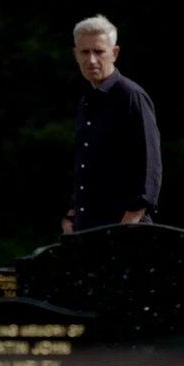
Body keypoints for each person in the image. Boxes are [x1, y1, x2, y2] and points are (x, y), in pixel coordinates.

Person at [62, 15, 162, 233]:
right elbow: (85, 164)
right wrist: (71, 215)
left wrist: (125, 228)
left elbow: (149, 168)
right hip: (87, 228)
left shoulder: (131, 96)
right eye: (84, 52)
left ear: (114, 53)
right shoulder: (87, 100)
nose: (91, 60)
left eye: (98, 52)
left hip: (123, 232)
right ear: (75, 55)